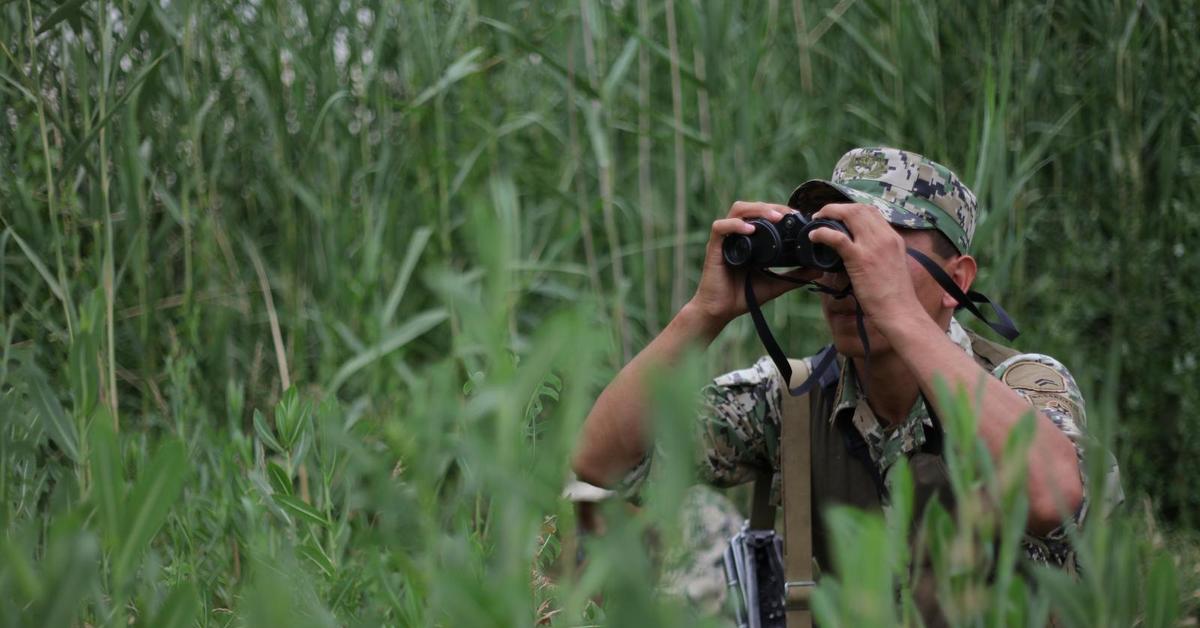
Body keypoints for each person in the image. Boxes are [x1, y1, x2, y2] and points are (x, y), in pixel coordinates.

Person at [570, 147, 1123, 613]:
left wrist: (898, 311)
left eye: (881, 243)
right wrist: (704, 313)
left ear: (956, 281)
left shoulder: (1022, 383)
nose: (849, 266)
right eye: (833, 238)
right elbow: (599, 470)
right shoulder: (792, 398)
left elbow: (1053, 495)